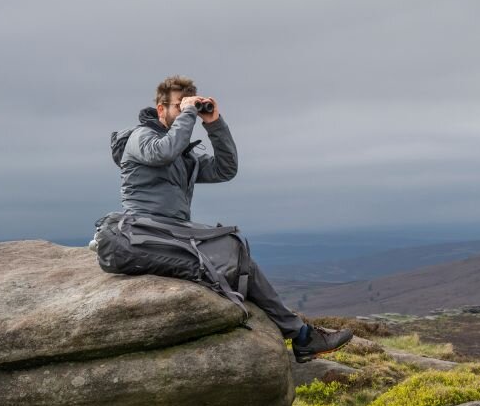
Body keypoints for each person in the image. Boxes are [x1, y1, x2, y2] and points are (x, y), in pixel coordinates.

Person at [111, 75, 352, 361]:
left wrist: (214, 123)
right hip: (145, 232)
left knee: (236, 253)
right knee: (235, 259)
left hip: (171, 232)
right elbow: (163, 152)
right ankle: (302, 336)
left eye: (189, 105)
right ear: (160, 109)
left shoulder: (183, 157)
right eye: (179, 106)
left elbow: (225, 169)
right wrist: (189, 114)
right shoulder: (140, 137)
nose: (186, 111)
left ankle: (301, 335)